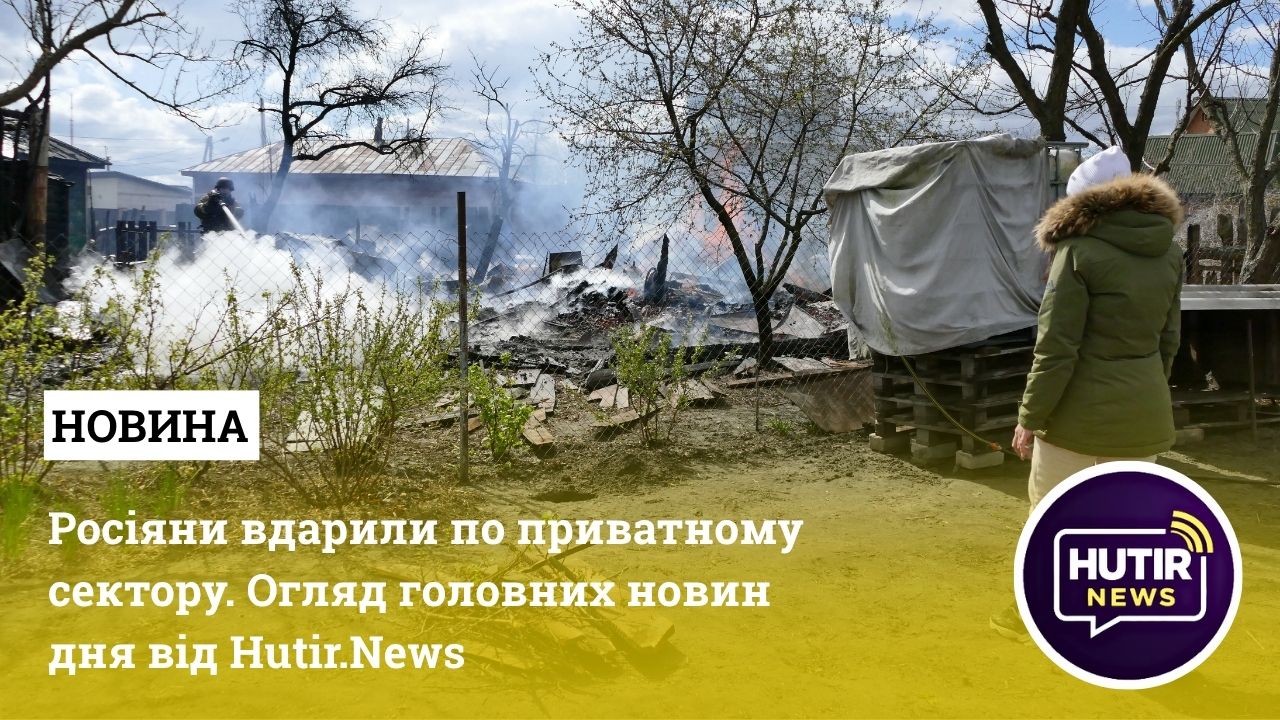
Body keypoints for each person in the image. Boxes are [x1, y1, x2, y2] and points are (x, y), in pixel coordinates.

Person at [990, 146, 1185, 641]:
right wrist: (1146, 391)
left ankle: (1035, 614)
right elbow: (1169, 340)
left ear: (1082, 205)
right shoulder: (1169, 252)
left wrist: (1030, 416)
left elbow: (1056, 349)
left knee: (1053, 516)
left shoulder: (1077, 252)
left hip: (1076, 419)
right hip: (1143, 413)